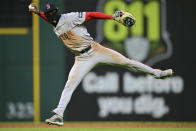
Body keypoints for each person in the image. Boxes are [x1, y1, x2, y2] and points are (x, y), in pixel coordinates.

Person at [29, 2, 173, 126]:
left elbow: (91, 15)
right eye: (50, 13)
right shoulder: (52, 21)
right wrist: (37, 12)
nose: (52, 14)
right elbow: (50, 19)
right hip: (81, 59)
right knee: (70, 84)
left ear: (57, 11)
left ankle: (158, 74)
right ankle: (58, 115)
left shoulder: (69, 17)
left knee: (127, 62)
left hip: (96, 50)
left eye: (54, 11)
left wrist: (111, 17)